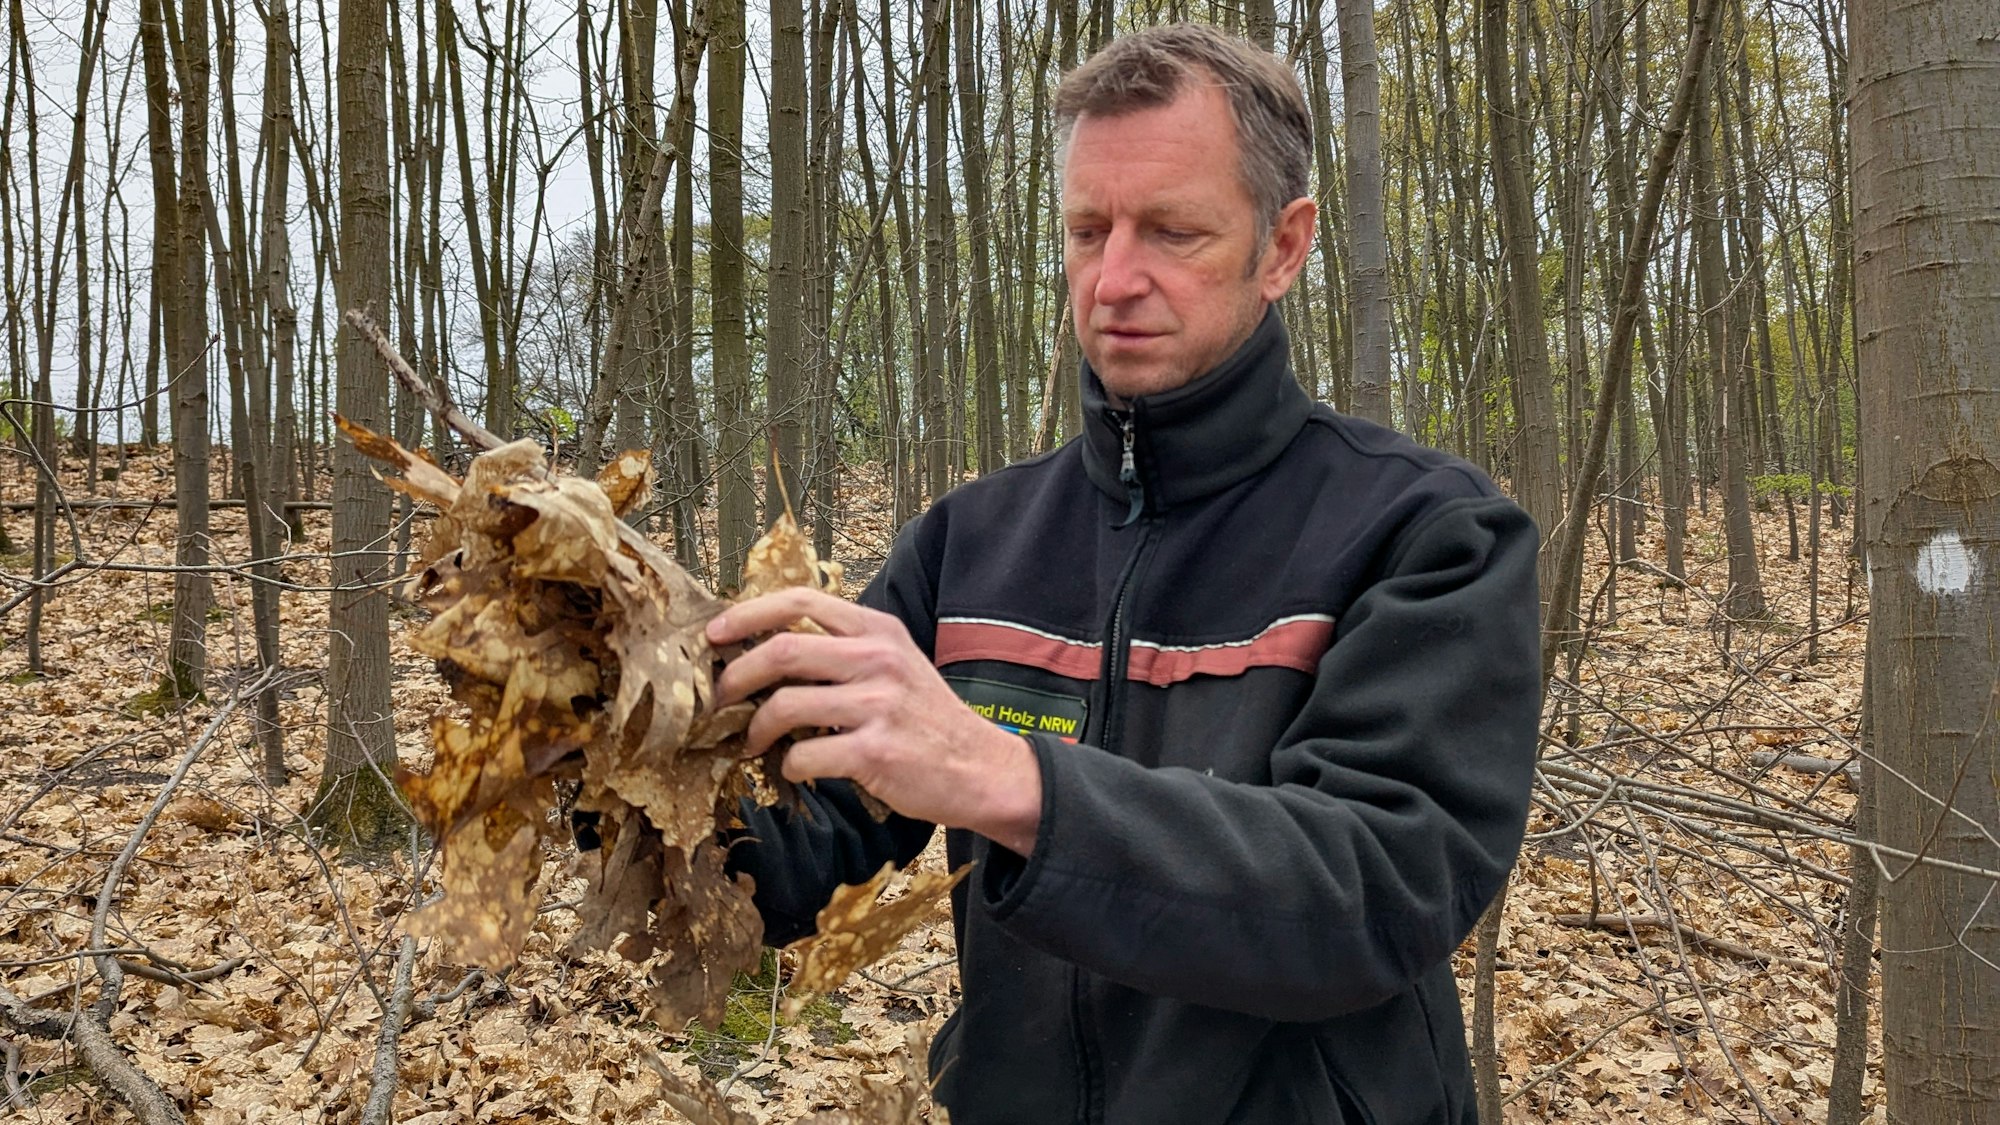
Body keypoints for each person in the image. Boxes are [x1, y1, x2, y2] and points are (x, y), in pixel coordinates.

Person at [706, 23, 1540, 1125]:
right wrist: (622, 741)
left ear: (1281, 248)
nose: (1114, 279)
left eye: (1172, 232)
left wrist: (1015, 786)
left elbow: (1382, 889)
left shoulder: (1424, 532)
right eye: (1087, 230)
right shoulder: (970, 545)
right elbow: (794, 855)